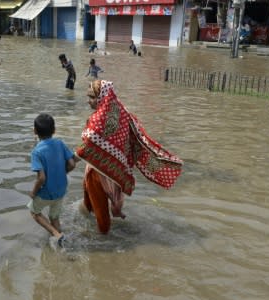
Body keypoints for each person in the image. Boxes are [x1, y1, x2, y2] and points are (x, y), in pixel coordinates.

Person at [76, 80, 183, 234]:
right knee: (90, 204)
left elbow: (89, 141)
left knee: (101, 218)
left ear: (102, 97)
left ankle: (102, 244)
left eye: (92, 97)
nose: (89, 101)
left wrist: (71, 160)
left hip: (99, 171)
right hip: (114, 169)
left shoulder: (100, 118)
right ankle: (93, 224)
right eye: (88, 96)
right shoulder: (120, 110)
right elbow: (134, 136)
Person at [28, 113, 76, 247]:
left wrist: (33, 192)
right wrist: (62, 173)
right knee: (54, 216)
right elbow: (72, 164)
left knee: (34, 212)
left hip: (46, 191)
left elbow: (41, 178)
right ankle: (62, 244)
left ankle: (56, 234)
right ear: (54, 130)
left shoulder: (36, 152)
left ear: (35, 131)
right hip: (61, 188)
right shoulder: (60, 143)